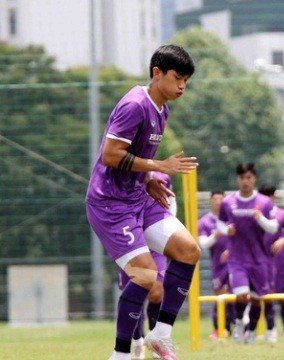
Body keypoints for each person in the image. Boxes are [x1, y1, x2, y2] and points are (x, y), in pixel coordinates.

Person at [86, 44, 200, 360]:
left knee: (189, 251)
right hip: (110, 204)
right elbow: (110, 155)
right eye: (178, 78)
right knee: (146, 276)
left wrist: (148, 180)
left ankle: (160, 335)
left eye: (186, 81)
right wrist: (157, 168)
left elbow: (136, 156)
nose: (181, 87)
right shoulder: (135, 105)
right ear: (157, 73)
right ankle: (121, 355)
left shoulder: (162, 109)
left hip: (137, 196)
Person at [117, 172, 176, 360]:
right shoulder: (123, 173)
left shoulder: (162, 175)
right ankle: (137, 341)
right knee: (136, 290)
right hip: (131, 238)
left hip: (154, 237)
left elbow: (169, 201)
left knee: (157, 290)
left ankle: (156, 338)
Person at [217, 163, 278, 344]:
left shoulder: (264, 202)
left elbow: (273, 227)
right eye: (242, 178)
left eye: (249, 178)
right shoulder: (228, 202)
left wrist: (261, 219)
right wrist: (226, 230)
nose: (245, 181)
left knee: (257, 299)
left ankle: (251, 332)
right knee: (242, 294)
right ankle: (237, 324)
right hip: (237, 258)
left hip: (259, 259)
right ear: (238, 179)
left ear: (254, 179)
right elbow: (220, 223)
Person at [257, 183, 284, 343]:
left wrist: (282, 241)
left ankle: (271, 329)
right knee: (250, 293)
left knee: (268, 295)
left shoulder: (282, 214)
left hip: (270, 261)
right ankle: (249, 327)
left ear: (273, 197)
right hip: (251, 258)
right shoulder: (254, 212)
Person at [198, 190, 233, 340]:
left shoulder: (232, 219)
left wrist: (232, 250)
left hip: (235, 262)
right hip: (218, 265)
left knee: (237, 294)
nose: (218, 201)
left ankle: (239, 327)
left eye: (221, 199)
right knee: (220, 296)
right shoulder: (204, 222)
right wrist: (217, 234)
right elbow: (203, 244)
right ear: (210, 201)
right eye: (215, 199)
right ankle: (219, 329)